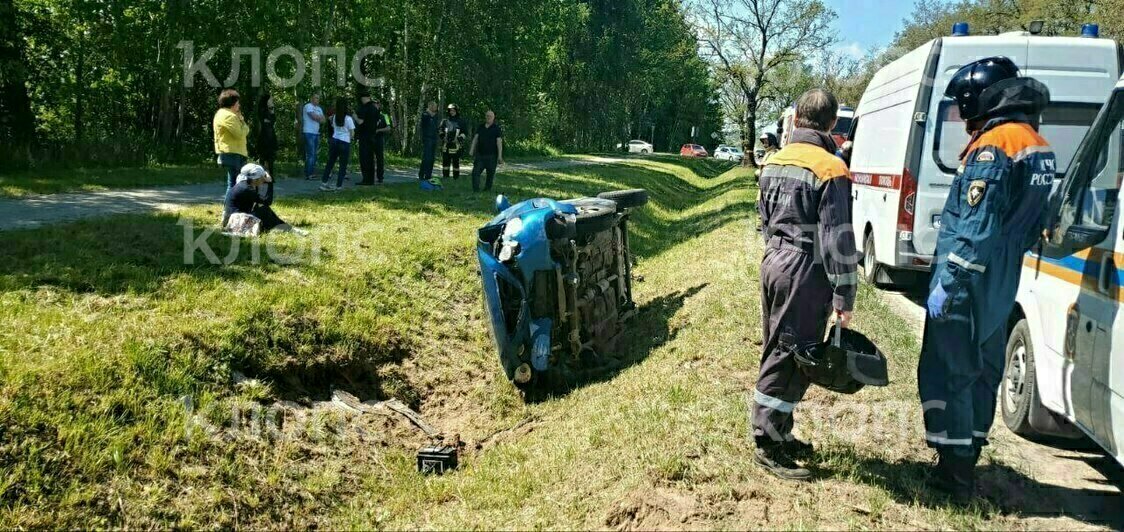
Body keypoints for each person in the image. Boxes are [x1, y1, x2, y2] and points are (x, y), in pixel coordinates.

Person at [918, 57, 1053, 503]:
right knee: (983, 371)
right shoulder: (1036, 143)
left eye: (961, 107)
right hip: (1002, 276)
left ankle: (954, 477)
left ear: (979, 99)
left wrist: (949, 280)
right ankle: (968, 450)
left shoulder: (994, 146)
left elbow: (975, 227)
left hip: (968, 279)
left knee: (949, 371)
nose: (960, 117)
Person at [753, 88, 858, 481]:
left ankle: (780, 429)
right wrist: (844, 293)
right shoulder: (831, 168)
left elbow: (763, 219)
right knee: (787, 352)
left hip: (774, 260)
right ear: (832, 123)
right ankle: (766, 441)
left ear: (796, 118)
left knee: (780, 346)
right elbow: (838, 237)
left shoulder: (773, 161)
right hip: (804, 267)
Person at [222, 163, 305, 235]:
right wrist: (269, 183)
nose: (263, 179)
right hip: (236, 222)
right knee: (264, 210)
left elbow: (259, 199)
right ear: (256, 178)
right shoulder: (246, 189)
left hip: (233, 218)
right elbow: (267, 201)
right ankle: (285, 228)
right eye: (262, 177)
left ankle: (285, 227)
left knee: (260, 208)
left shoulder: (243, 183)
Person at [213, 89, 250, 194]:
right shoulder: (229, 116)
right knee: (234, 184)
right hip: (232, 153)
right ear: (232, 104)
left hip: (233, 152)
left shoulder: (224, 114)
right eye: (237, 103)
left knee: (234, 183)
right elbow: (240, 133)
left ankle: (231, 208)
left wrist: (241, 122)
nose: (239, 105)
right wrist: (243, 123)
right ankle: (229, 209)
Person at [320, 97, 355, 192]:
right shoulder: (348, 118)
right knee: (342, 165)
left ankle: (324, 183)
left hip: (334, 140)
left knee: (330, 162)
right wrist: (351, 138)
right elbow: (352, 133)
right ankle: (338, 186)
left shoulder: (334, 117)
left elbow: (333, 127)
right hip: (344, 142)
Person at [469, 110, 504, 193]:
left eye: (490, 116)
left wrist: (499, 156)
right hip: (480, 155)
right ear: (485, 117)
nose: (488, 117)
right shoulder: (480, 127)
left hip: (492, 156)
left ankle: (487, 190)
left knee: (490, 175)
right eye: (487, 116)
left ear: (493, 118)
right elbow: (475, 138)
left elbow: (499, 142)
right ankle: (476, 190)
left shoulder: (496, 128)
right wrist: (471, 150)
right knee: (475, 172)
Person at [354, 90, 378, 185]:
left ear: (363, 98)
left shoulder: (364, 108)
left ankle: (365, 179)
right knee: (371, 158)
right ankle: (371, 179)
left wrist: (355, 116)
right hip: (373, 135)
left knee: (364, 158)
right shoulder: (375, 108)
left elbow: (360, 121)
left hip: (365, 136)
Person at [440, 104, 467, 180]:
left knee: (456, 162)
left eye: (453, 110)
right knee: (445, 162)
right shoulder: (444, 121)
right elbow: (440, 130)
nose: (451, 112)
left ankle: (456, 178)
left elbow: (465, 133)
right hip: (446, 145)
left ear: (456, 111)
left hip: (456, 145)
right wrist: (442, 137)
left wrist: (459, 138)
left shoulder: (461, 121)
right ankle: (445, 177)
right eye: (450, 110)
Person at [302, 93, 325, 180]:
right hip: (308, 132)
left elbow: (324, 120)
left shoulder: (319, 108)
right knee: (311, 154)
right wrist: (319, 118)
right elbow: (313, 117)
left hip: (316, 133)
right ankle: (309, 174)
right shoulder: (308, 106)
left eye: (318, 98)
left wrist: (318, 118)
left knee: (314, 154)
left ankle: (310, 172)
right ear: (311, 98)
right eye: (316, 98)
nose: (317, 100)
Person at [256, 92, 278, 178]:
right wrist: (269, 118)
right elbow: (265, 121)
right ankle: (261, 175)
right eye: (271, 99)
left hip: (271, 136)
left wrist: (272, 110)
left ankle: (270, 175)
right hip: (264, 136)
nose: (272, 100)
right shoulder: (262, 110)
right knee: (263, 157)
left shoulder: (271, 109)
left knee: (271, 158)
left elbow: (272, 121)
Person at [419, 101, 440, 183]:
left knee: (431, 158)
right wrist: (430, 113)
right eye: (435, 106)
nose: (436, 108)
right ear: (430, 106)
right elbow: (426, 121)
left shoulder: (436, 116)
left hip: (434, 138)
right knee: (426, 157)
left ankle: (428, 175)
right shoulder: (425, 114)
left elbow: (436, 126)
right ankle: (422, 174)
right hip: (427, 138)